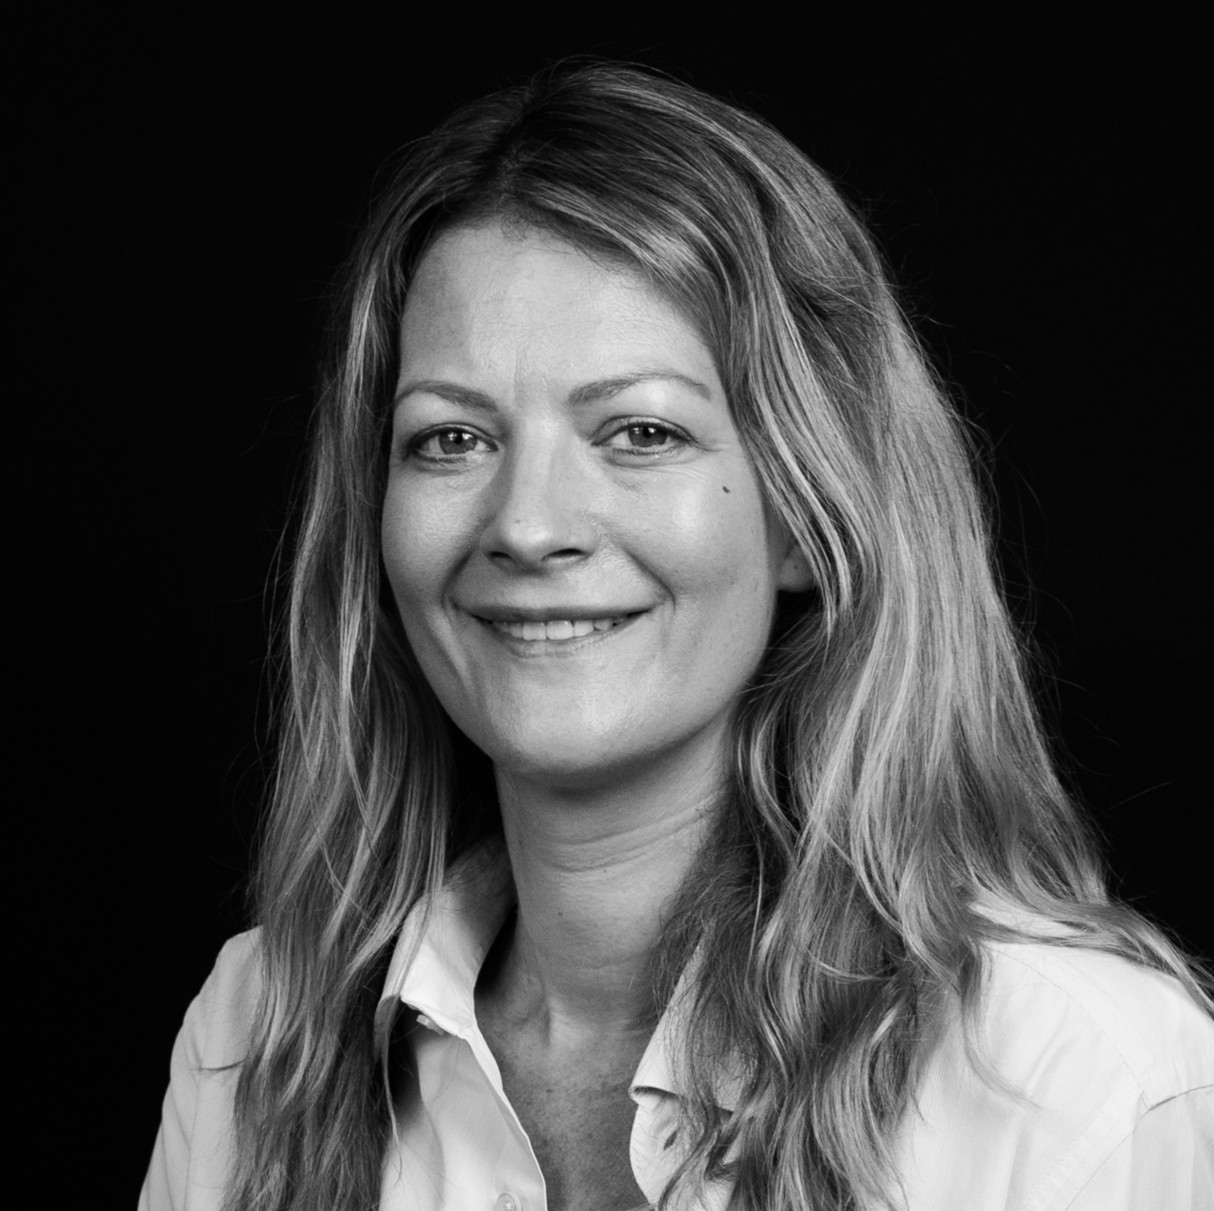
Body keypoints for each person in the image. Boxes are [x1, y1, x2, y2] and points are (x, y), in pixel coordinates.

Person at [140, 63, 1214, 1211]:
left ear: (806, 514)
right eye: (449, 439)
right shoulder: (253, 1037)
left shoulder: (1082, 1083)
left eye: (640, 430)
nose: (529, 524)